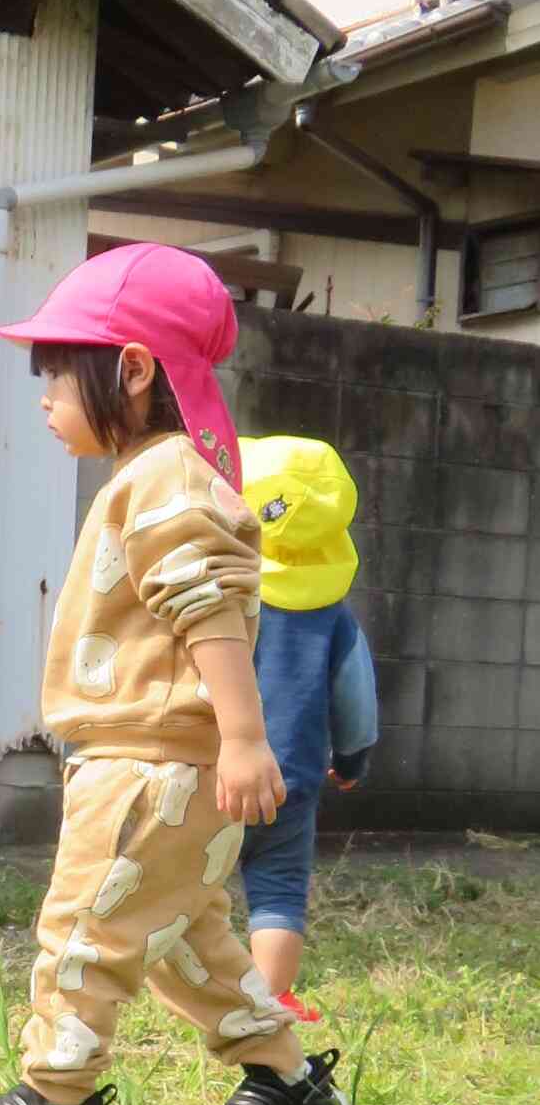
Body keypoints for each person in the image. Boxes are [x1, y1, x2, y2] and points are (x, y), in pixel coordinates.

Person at [0, 243, 346, 1105]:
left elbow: (205, 608)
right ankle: (287, 1083)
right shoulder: (160, 475)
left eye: (57, 374)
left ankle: (57, 1102)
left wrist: (244, 734)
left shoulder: (164, 477)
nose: (43, 398)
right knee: (184, 942)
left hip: (147, 764)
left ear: (129, 369)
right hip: (169, 767)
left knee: (85, 923)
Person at [237, 435, 379, 1023]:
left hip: (208, 775)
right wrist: (351, 762)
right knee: (277, 889)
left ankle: (183, 983)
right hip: (289, 779)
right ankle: (269, 1001)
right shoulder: (333, 619)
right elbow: (357, 699)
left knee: (180, 886)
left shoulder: (223, 600)